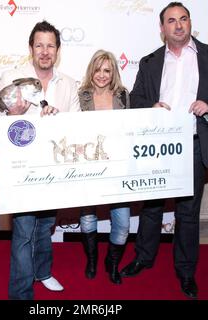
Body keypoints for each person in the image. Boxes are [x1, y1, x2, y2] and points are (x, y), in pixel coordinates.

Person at [120, 2, 208, 299]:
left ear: (189, 23)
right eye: (171, 21)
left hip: (194, 145)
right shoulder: (149, 63)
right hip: (156, 146)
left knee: (188, 212)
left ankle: (186, 271)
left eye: (183, 19)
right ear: (162, 29)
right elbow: (134, 99)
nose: (178, 25)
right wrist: (150, 107)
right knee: (151, 208)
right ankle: (144, 258)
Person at [0, 20, 80, 300]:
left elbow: (77, 125)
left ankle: (42, 272)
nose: (45, 51)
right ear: (31, 48)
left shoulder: (68, 84)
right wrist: (13, 112)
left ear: (58, 50)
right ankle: (20, 293)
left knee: (45, 225)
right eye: (39, 45)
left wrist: (59, 122)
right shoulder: (11, 77)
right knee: (24, 230)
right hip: (21, 170)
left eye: (50, 45)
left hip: (52, 169)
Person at [78, 50, 130, 284]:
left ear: (113, 73)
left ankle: (113, 262)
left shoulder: (123, 95)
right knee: (88, 218)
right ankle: (92, 260)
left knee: (123, 222)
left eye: (107, 70)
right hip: (89, 165)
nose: (101, 75)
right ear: (91, 70)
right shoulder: (81, 95)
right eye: (97, 69)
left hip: (118, 166)